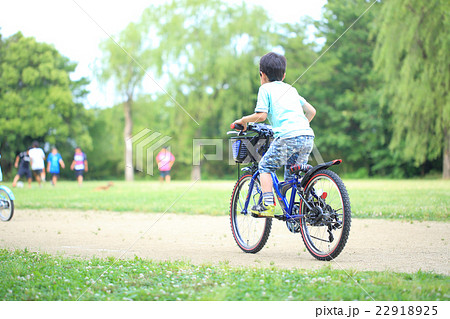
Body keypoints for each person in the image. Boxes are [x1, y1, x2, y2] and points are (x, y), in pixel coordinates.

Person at [232, 52, 316, 217]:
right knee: (294, 176)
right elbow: (311, 111)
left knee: (265, 166)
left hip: (287, 137)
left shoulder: (265, 88)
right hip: (307, 136)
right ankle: (301, 211)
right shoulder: (291, 89)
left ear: (262, 75)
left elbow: (261, 116)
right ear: (283, 75)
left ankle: (268, 205)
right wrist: (300, 126)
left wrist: (244, 120)